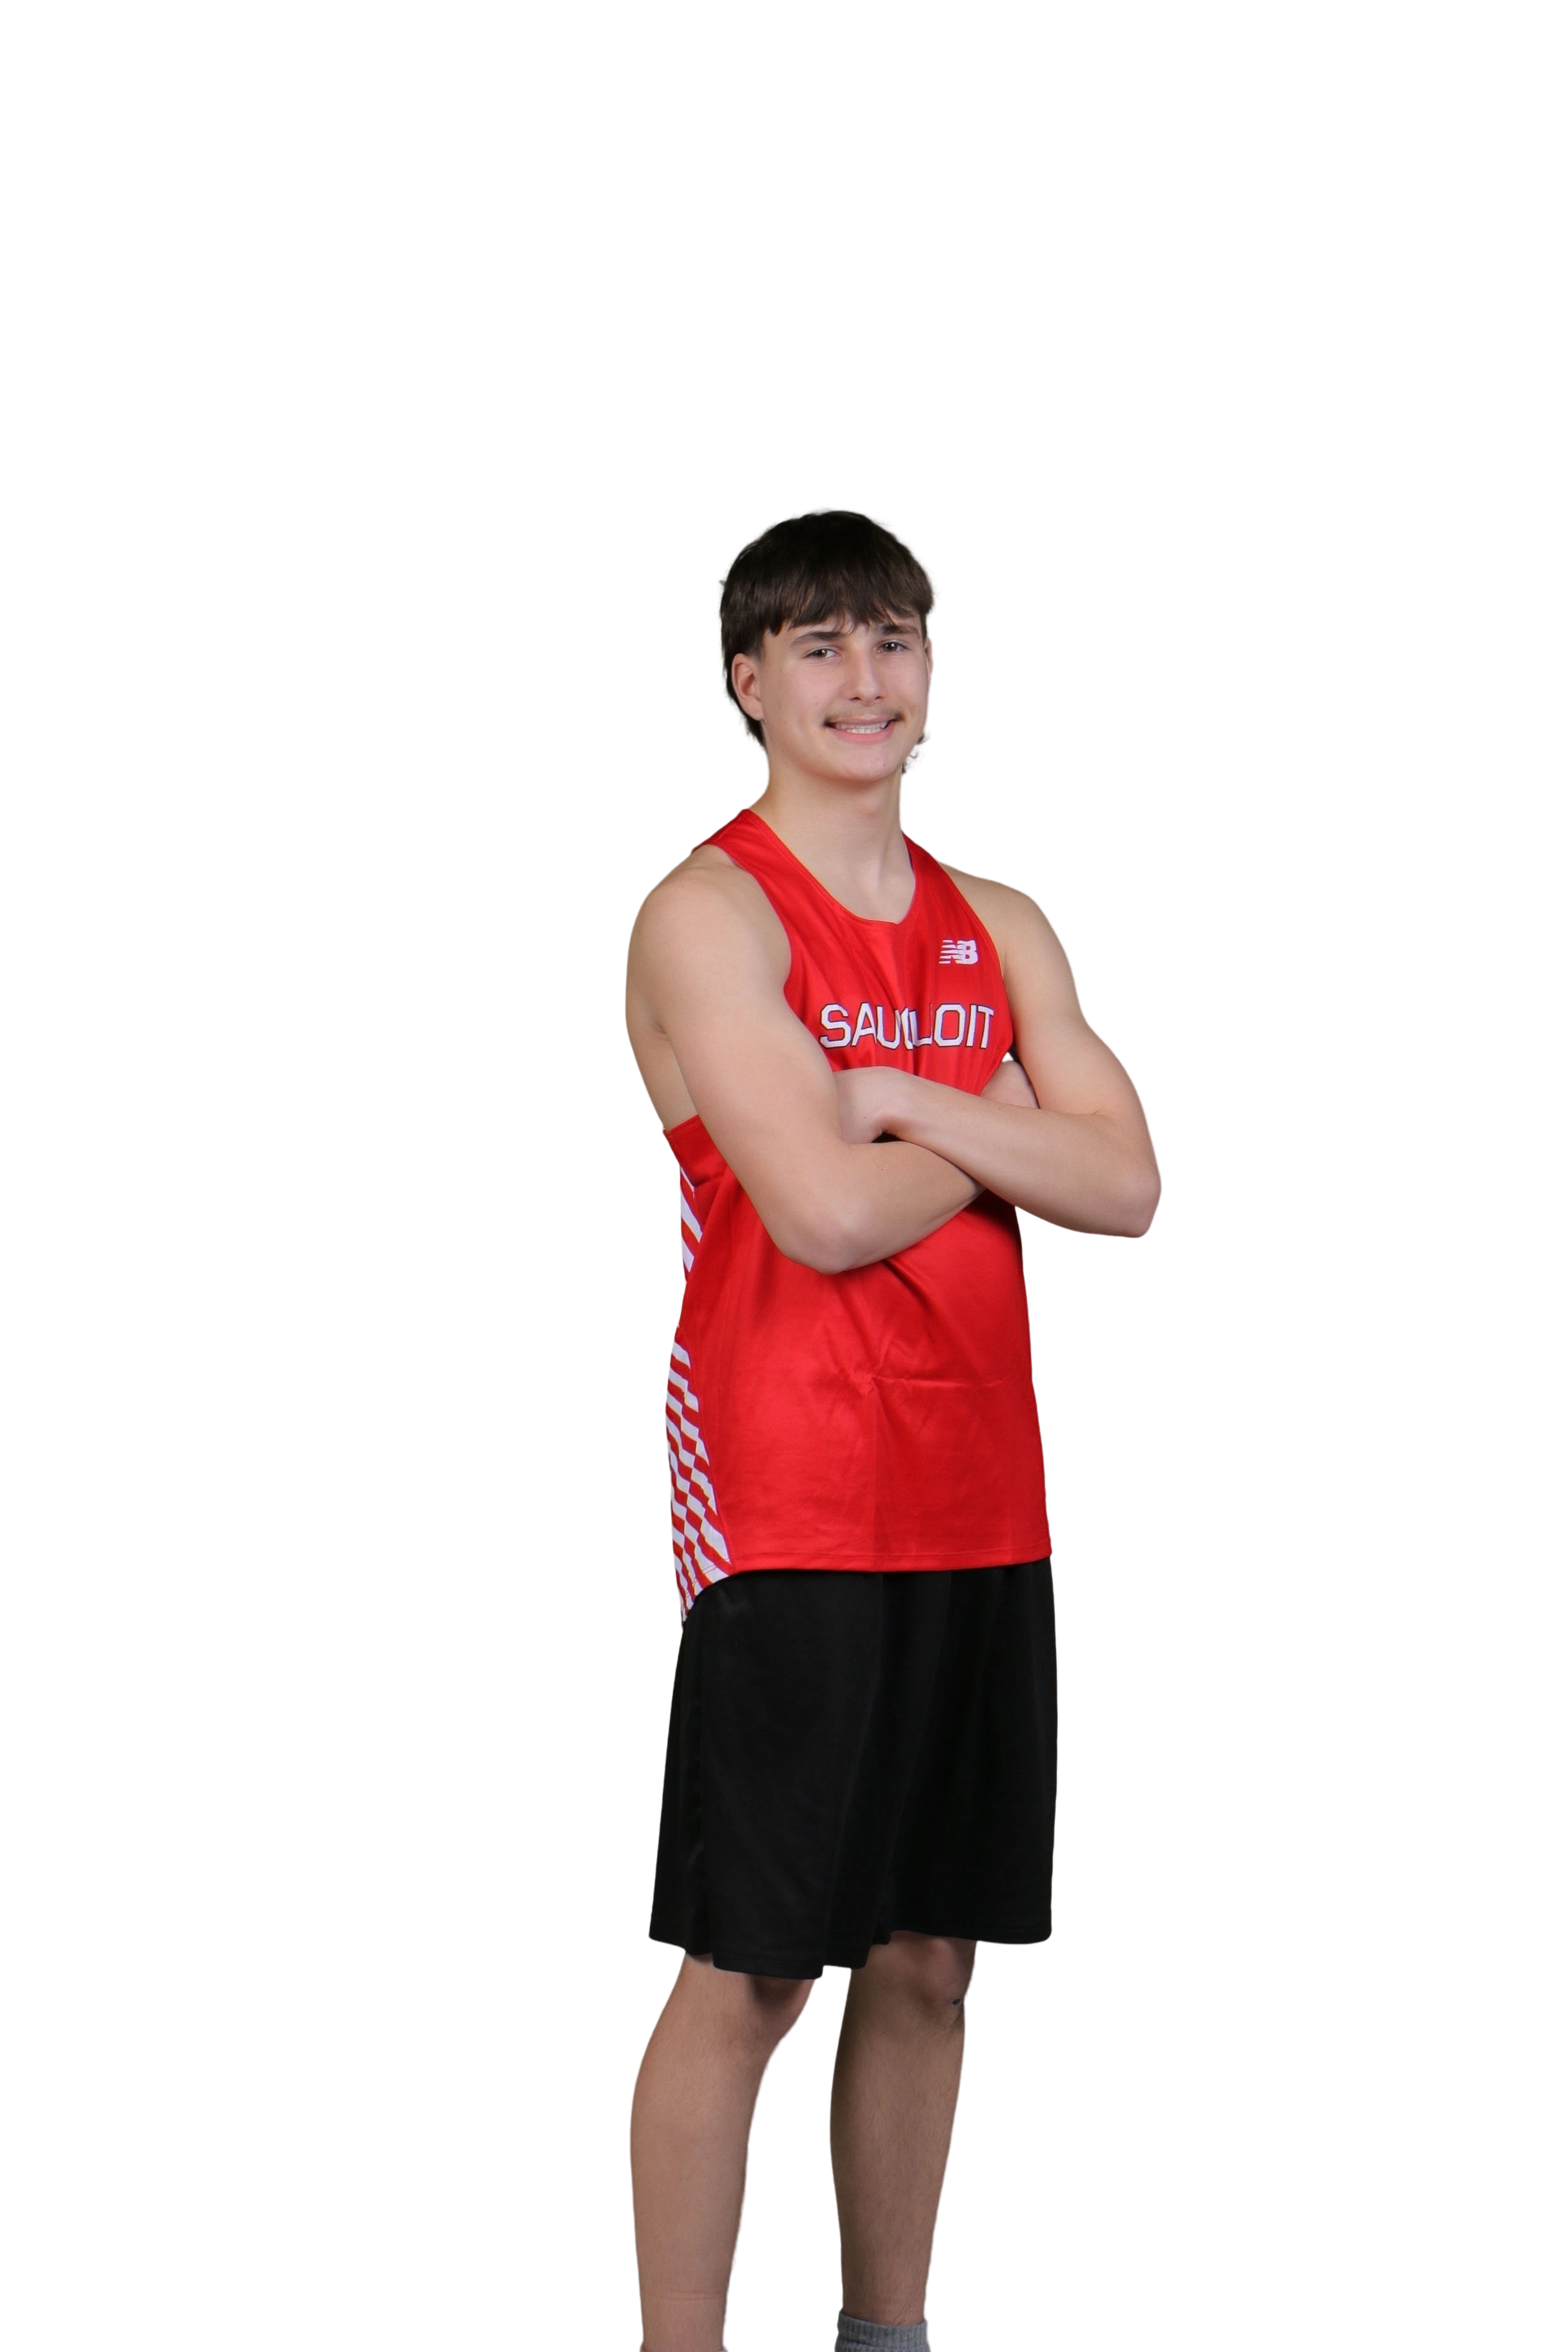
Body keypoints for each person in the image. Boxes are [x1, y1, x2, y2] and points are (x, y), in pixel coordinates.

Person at [622, 503, 1162, 2352]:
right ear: (749, 683)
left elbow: (1132, 1187)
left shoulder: (1000, 920)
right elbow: (827, 1212)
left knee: (931, 1956)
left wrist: (904, 1094)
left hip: (981, 1489)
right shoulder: (707, 913)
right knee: (758, 1964)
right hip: (788, 1491)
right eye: (821, 644)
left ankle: (890, 2336)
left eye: (896, 638)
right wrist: (1006, 1113)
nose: (867, 677)